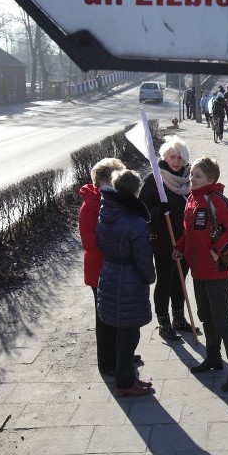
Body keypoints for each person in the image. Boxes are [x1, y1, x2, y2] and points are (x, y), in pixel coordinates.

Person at [173, 156, 228, 392]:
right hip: (198, 271)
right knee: (205, 315)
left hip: (217, 272)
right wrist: (180, 247)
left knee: (222, 320)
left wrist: (218, 251)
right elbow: (191, 232)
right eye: (191, 174)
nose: (191, 179)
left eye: (197, 175)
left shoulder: (215, 199)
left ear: (211, 178)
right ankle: (214, 357)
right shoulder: (191, 200)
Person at [96, 169, 156, 397]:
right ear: (136, 191)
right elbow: (143, 257)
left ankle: (127, 376)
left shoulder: (105, 212)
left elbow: (98, 242)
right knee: (130, 334)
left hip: (109, 273)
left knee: (122, 333)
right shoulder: (135, 221)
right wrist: (150, 277)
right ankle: (124, 382)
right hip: (129, 279)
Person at [138, 135, 194, 342]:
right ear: (165, 157)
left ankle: (179, 318)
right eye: (173, 157)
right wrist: (158, 211)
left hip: (186, 239)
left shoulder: (188, 178)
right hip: (164, 240)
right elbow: (141, 208)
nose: (176, 161)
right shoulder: (156, 178)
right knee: (165, 280)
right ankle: (163, 322)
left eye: (180, 157)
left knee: (180, 278)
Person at [79, 158, 126, 375]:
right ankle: (107, 363)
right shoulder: (91, 205)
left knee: (117, 315)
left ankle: (120, 353)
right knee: (105, 319)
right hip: (101, 270)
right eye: (117, 178)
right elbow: (90, 243)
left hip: (114, 268)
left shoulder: (113, 201)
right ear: (105, 181)